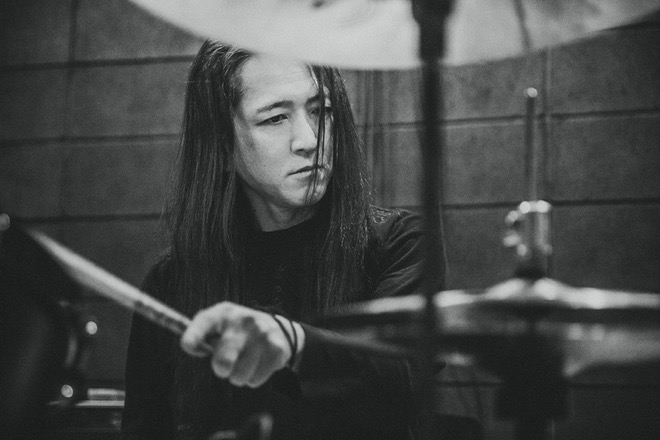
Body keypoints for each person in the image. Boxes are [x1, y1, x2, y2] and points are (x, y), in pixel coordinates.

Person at [121, 40, 445, 440]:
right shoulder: (171, 283)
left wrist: (293, 342)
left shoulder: (398, 244)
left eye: (320, 111)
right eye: (275, 118)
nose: (309, 139)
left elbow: (404, 381)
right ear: (222, 141)